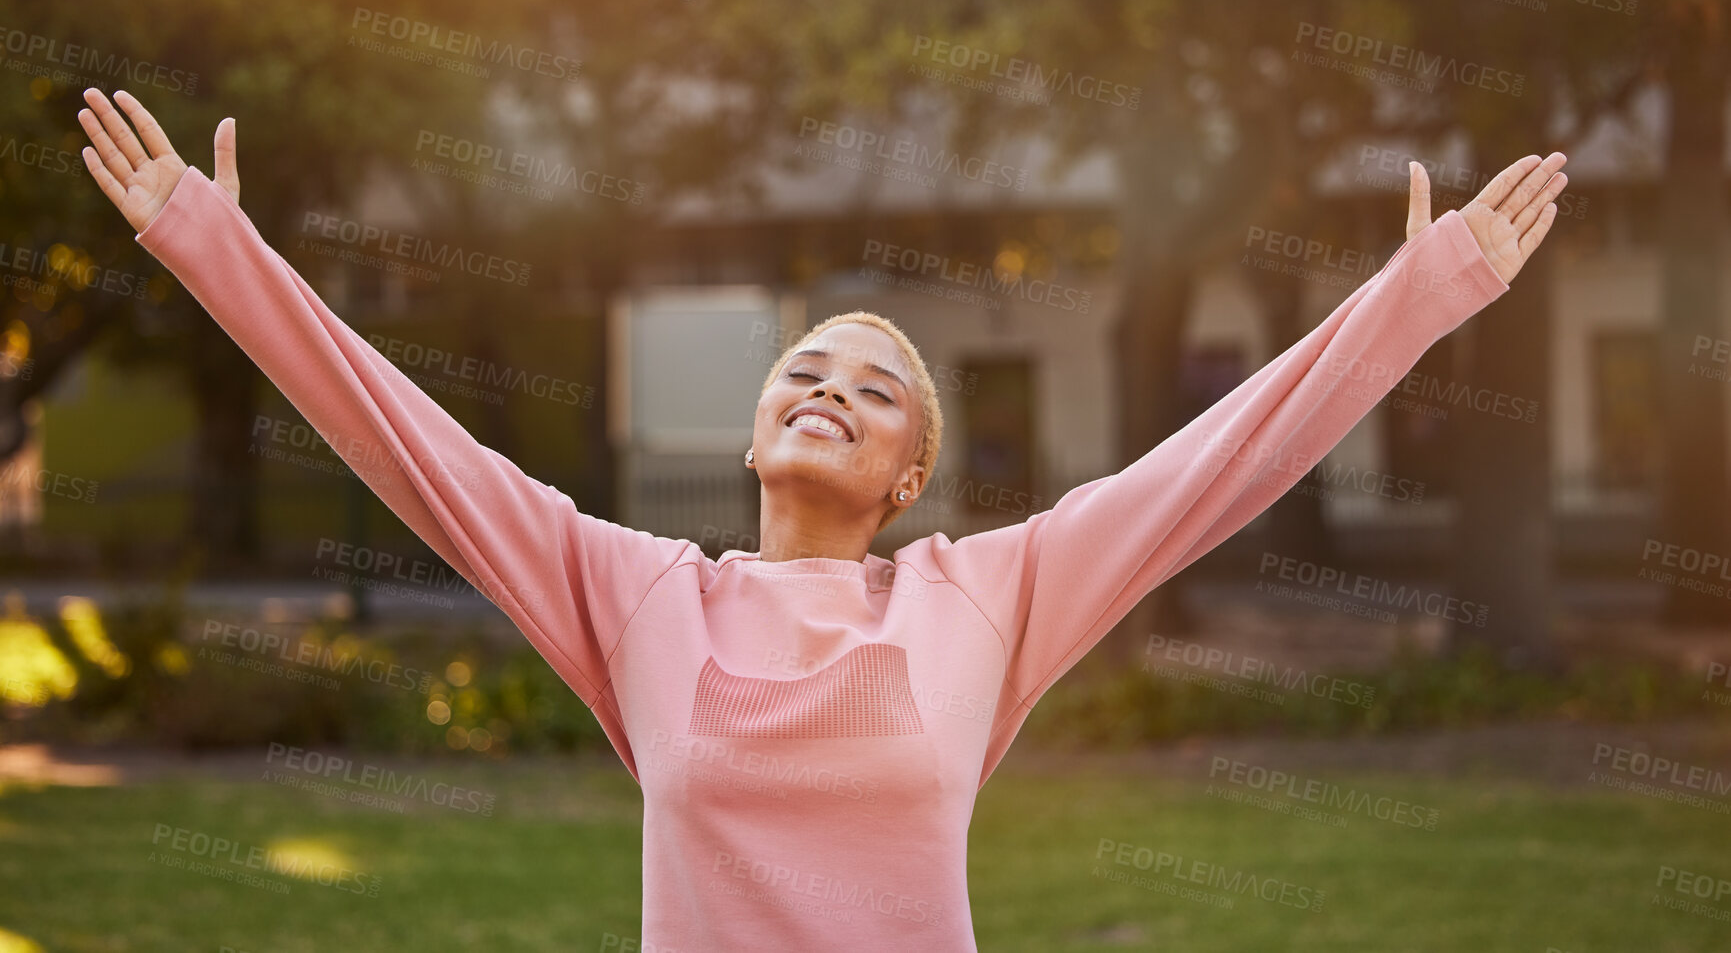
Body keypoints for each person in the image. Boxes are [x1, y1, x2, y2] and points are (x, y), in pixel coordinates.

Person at [76, 85, 1566, 950]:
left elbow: (1220, 465)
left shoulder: (987, 593)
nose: (831, 390)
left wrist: (1420, 293)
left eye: (876, 387)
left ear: (908, 477)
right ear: (756, 429)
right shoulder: (641, 596)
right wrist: (219, 254)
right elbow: (412, 451)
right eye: (806, 370)